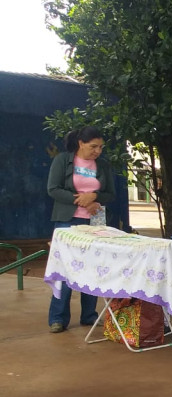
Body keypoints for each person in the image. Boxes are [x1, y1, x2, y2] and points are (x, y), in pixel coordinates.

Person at [46, 125, 114, 333]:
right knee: (65, 270)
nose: (97, 151)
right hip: (68, 222)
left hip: (94, 223)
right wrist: (81, 201)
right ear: (80, 143)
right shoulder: (63, 161)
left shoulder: (102, 165)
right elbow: (53, 189)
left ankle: (89, 315)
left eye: (101, 147)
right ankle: (57, 318)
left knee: (92, 270)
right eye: (93, 146)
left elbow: (109, 193)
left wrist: (94, 197)